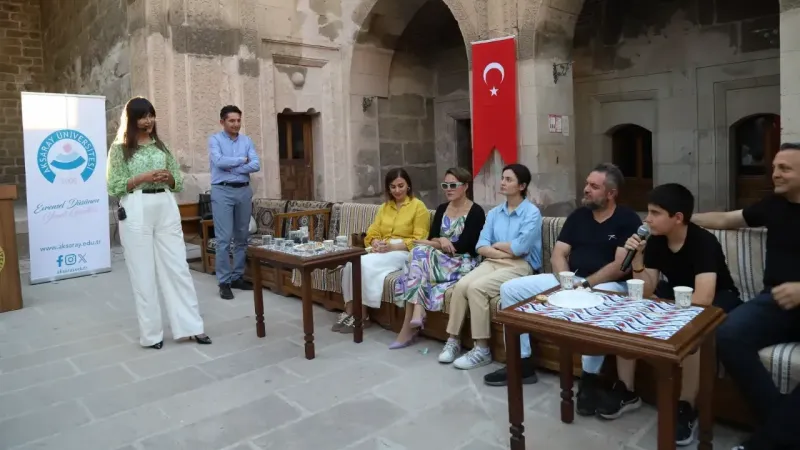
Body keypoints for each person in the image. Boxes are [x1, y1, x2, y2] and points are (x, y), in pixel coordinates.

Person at [484, 163, 642, 412]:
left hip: (608, 285)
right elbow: (559, 253)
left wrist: (587, 284)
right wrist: (567, 281)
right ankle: (522, 362)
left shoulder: (627, 219)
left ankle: (589, 379)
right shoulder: (578, 216)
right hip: (572, 280)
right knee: (510, 289)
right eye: (587, 183)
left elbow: (621, 265)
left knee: (595, 302)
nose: (586, 189)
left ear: (611, 193)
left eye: (594, 186)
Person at [609, 183, 741, 447]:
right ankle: (627, 390)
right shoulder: (656, 240)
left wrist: (663, 307)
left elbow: (703, 298)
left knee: (691, 331)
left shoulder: (703, 242)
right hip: (677, 294)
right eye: (648, 212)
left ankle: (686, 406)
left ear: (677, 217)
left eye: (655, 213)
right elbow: (646, 289)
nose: (647, 219)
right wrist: (638, 260)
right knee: (630, 311)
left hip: (717, 297)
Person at [692, 142, 800, 450]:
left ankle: (765, 443)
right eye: (774, 167)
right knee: (727, 334)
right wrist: (683, 218)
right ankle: (781, 428)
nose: (775, 173)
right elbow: (728, 220)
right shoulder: (773, 204)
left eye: (785, 168)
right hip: (775, 301)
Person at [106, 97, 212, 349]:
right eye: (143, 116)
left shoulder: (161, 147)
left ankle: (191, 327)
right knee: (142, 273)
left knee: (178, 267)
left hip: (165, 204)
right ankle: (151, 334)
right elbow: (113, 185)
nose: (149, 120)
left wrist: (169, 179)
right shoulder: (120, 149)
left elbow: (178, 180)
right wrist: (142, 177)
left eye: (151, 115)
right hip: (137, 206)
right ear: (132, 120)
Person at [439, 164, 542, 370]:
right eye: (502, 178)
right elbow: (481, 246)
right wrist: (506, 250)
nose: (502, 182)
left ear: (522, 186)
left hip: (521, 266)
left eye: (508, 179)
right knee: (461, 286)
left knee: (476, 288)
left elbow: (521, 248)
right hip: (493, 262)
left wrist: (498, 246)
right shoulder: (495, 213)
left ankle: (482, 349)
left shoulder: (532, 213)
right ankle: (453, 340)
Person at [390, 167, 486, 349]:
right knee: (418, 254)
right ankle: (417, 312)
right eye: (445, 185)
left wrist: (438, 243)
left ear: (465, 186)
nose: (448, 189)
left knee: (417, 255)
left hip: (462, 262)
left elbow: (464, 246)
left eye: (453, 185)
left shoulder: (476, 212)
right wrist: (441, 240)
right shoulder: (442, 209)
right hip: (439, 258)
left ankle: (408, 327)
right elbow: (433, 237)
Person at [332, 168, 430, 333]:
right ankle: (349, 311)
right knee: (350, 264)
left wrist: (392, 246)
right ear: (388, 189)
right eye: (393, 187)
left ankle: (362, 316)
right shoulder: (385, 207)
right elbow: (373, 231)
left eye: (400, 186)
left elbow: (419, 240)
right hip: (383, 249)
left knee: (362, 265)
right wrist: (375, 241)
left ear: (408, 186)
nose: (397, 190)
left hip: (403, 251)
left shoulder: (418, 207)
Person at [208, 105, 261, 300]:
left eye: (238, 120)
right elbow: (219, 162)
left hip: (243, 191)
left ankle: (238, 276)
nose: (236, 124)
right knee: (223, 239)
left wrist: (233, 167)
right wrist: (242, 160)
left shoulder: (247, 141)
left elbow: (256, 164)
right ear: (222, 122)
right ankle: (224, 281)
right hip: (222, 191)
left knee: (242, 236)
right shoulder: (215, 140)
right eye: (232, 120)